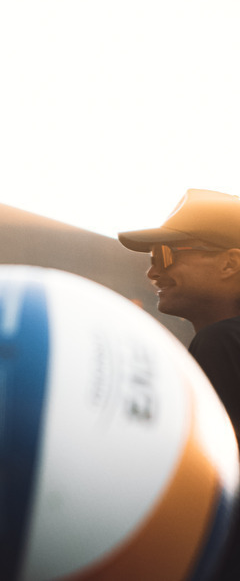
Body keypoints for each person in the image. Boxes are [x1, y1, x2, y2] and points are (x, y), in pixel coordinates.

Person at [119, 188, 240, 578]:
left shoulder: (221, 343)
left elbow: (207, 493)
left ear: (230, 264)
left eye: (166, 255)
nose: (153, 271)